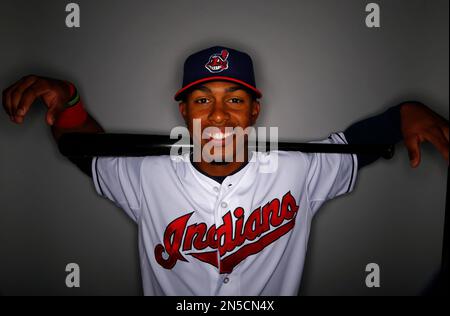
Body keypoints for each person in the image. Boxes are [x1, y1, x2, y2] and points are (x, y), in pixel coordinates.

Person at [2, 46, 448, 296]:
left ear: (255, 110)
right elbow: (86, 150)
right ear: (183, 111)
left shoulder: (297, 169)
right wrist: (70, 103)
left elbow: (358, 144)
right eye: (202, 100)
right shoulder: (148, 176)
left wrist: (403, 114)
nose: (218, 116)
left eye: (234, 100)